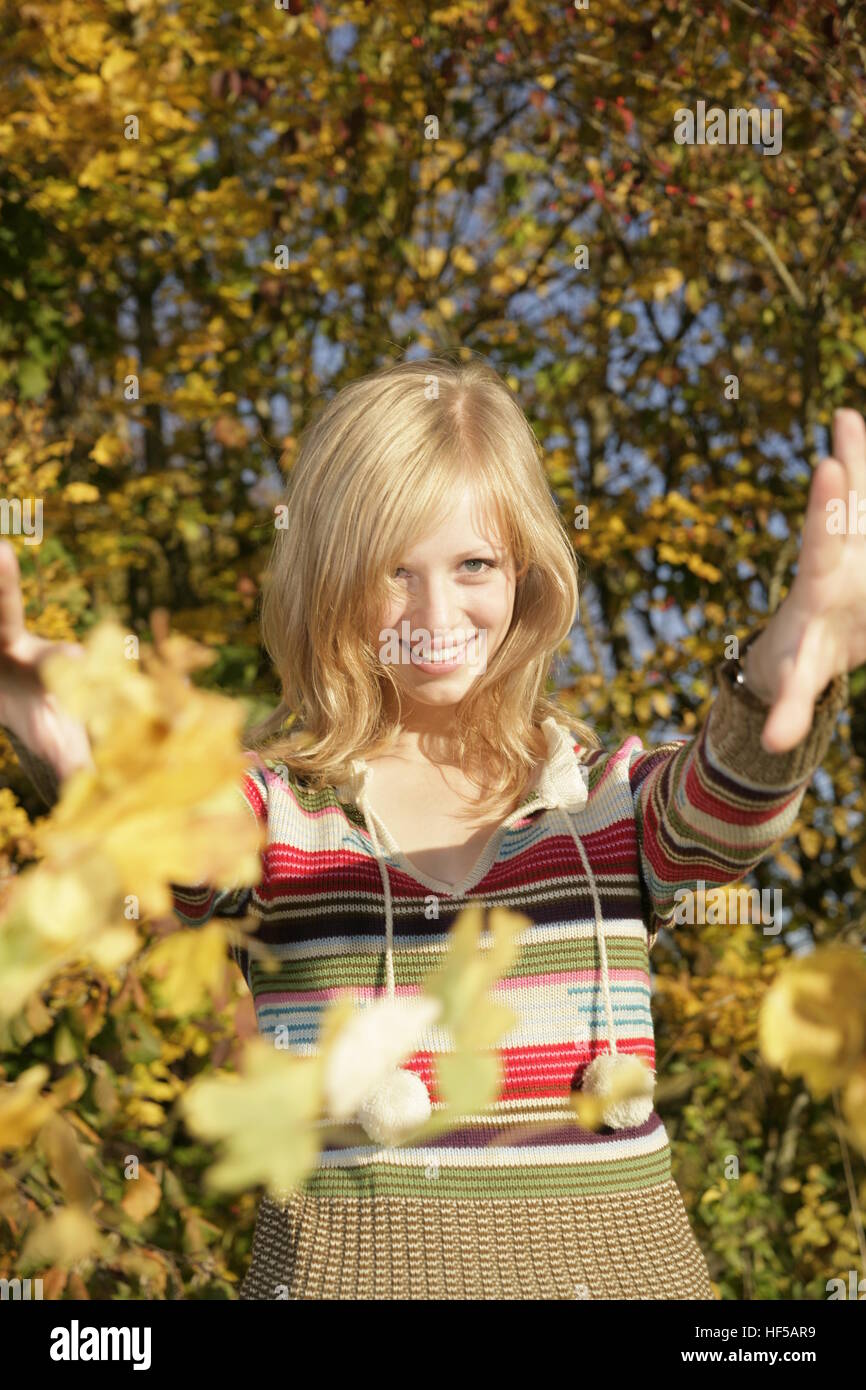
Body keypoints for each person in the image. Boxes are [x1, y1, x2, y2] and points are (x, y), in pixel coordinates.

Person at [1, 354, 862, 1300]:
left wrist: (788, 660)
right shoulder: (278, 810)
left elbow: (722, 809)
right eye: (391, 574)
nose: (435, 613)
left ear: (525, 572)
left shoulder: (602, 806)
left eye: (474, 565)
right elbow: (167, 863)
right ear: (330, 582)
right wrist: (68, 752)